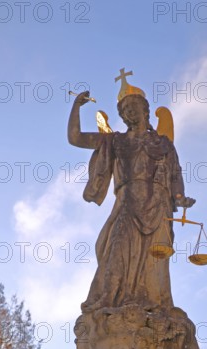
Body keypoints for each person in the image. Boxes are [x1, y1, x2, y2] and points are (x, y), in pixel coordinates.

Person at [68, 87, 194, 312]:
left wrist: (179, 197)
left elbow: (175, 173)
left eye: (132, 107)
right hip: (127, 203)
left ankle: (156, 304)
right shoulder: (115, 141)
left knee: (155, 258)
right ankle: (109, 298)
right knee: (116, 250)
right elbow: (76, 138)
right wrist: (76, 107)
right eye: (124, 110)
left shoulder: (164, 144)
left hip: (158, 204)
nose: (129, 113)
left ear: (145, 110)